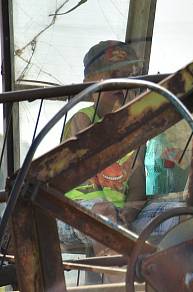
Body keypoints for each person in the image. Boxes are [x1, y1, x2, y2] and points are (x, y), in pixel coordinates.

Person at [58, 40, 146, 260]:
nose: (121, 87)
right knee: (104, 217)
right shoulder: (82, 120)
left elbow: (137, 188)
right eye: (113, 77)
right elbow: (85, 170)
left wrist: (129, 212)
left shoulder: (138, 131)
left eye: (128, 78)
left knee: (180, 213)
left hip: (115, 213)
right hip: (73, 209)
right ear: (92, 86)